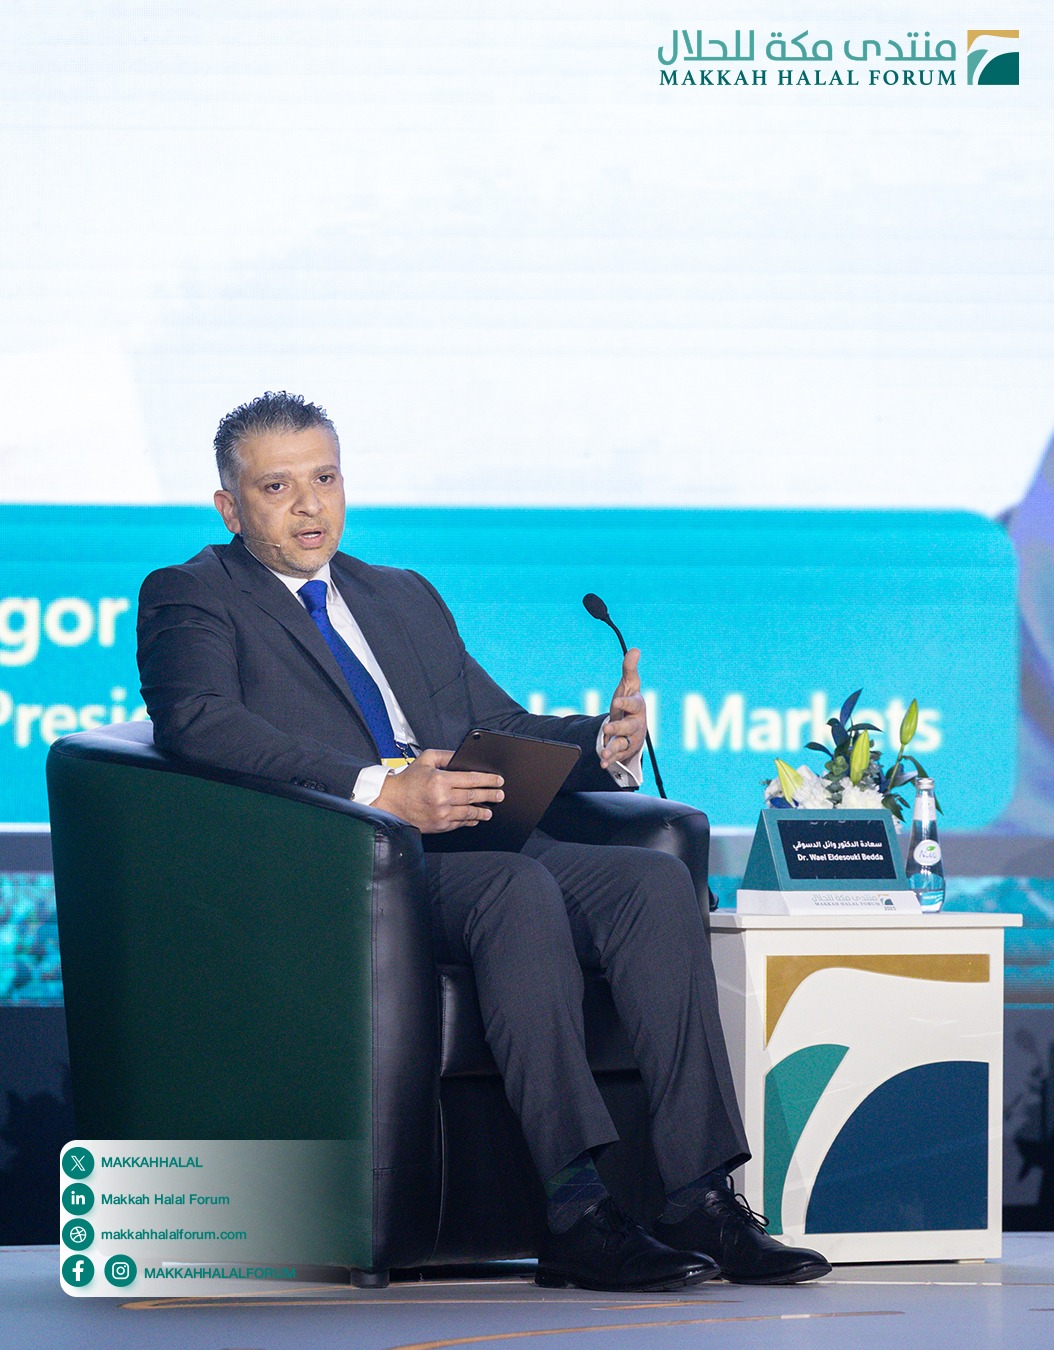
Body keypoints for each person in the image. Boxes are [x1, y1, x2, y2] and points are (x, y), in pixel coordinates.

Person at [137, 391, 831, 1294]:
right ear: (231, 507)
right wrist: (382, 788)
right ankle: (577, 1212)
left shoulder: (399, 594)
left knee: (653, 886)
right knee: (515, 890)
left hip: (475, 847)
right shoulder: (191, 593)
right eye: (278, 487)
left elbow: (493, 724)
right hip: (347, 866)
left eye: (325, 479)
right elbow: (199, 723)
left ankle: (699, 1197)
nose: (310, 506)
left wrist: (599, 743)